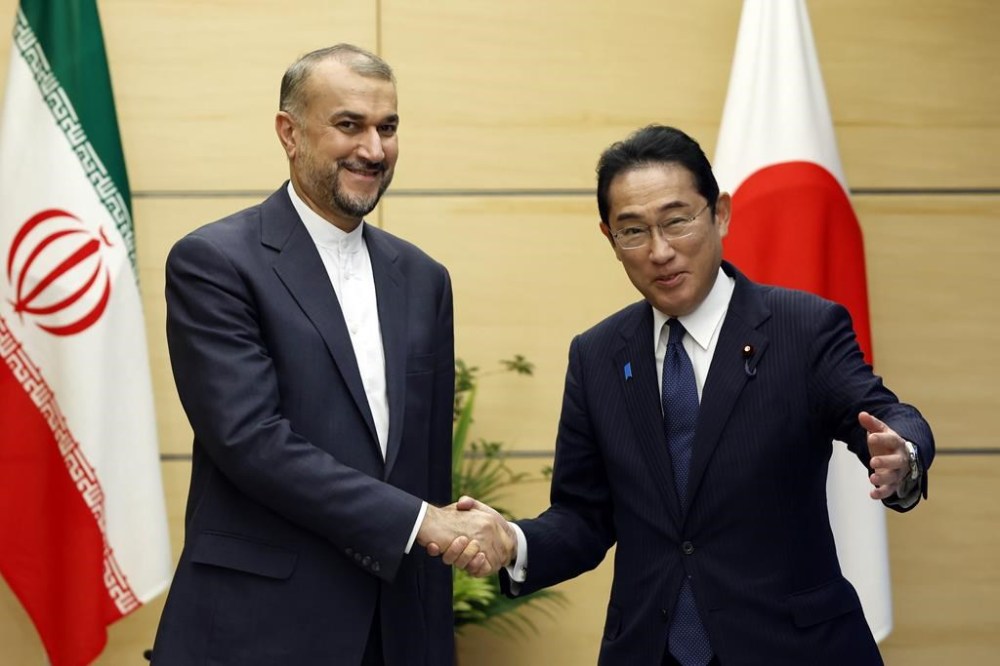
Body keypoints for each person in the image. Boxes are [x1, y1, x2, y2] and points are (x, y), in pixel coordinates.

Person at [445, 125, 934, 665]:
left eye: (677, 221)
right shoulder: (598, 355)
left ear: (719, 213)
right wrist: (514, 542)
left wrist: (902, 454)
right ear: (610, 238)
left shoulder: (802, 328)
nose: (659, 251)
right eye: (633, 231)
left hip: (792, 647)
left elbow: (887, 414)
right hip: (650, 651)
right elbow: (584, 517)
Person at [150, 44, 509, 666]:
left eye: (388, 127)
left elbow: (424, 466)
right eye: (349, 125)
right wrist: (422, 522)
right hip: (258, 631)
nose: (374, 150)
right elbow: (251, 440)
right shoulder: (215, 262)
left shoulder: (425, 278)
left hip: (395, 634)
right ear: (289, 133)